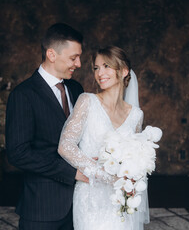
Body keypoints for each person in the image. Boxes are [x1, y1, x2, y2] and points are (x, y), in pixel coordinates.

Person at [5, 23, 88, 230]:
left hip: (81, 204)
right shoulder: (23, 94)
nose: (78, 64)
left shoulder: (76, 89)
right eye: (73, 58)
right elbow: (18, 153)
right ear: (51, 54)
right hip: (42, 207)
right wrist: (71, 172)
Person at [58, 46, 149, 230]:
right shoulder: (87, 101)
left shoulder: (136, 115)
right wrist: (103, 174)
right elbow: (65, 146)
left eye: (106, 66)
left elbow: (137, 159)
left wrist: (129, 180)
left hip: (120, 198)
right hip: (90, 198)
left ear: (123, 71)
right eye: (97, 68)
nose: (100, 73)